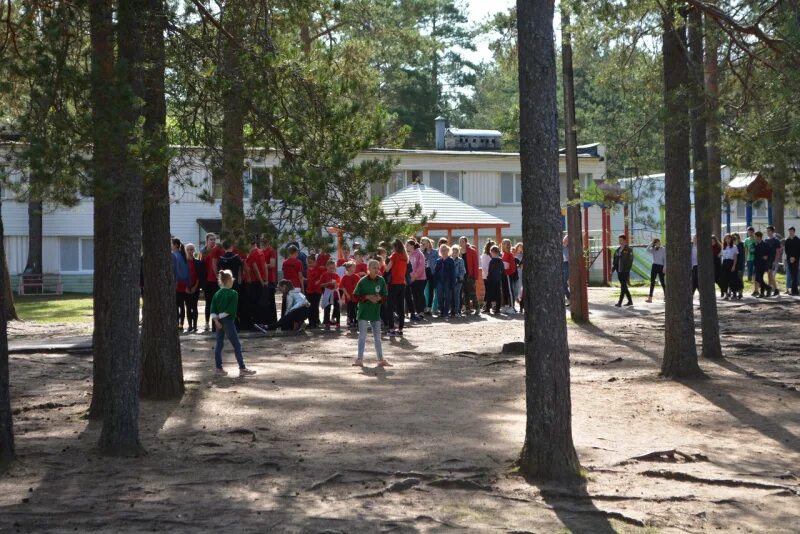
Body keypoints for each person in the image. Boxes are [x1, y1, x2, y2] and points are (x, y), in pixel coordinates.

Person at [210, 269, 256, 377]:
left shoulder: (216, 294)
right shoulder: (233, 293)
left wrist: (216, 321)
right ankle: (242, 367)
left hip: (218, 322)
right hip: (228, 321)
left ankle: (218, 368)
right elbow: (231, 309)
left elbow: (212, 309)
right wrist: (222, 317)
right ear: (230, 280)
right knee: (236, 345)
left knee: (219, 344)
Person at [352, 259, 391, 368]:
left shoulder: (381, 280)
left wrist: (379, 299)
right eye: (373, 267)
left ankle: (381, 360)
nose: (376, 269)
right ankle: (359, 359)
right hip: (363, 312)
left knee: (378, 337)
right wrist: (367, 297)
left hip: (375, 313)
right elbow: (355, 296)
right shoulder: (363, 281)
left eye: (377, 267)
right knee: (362, 336)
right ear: (368, 269)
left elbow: (385, 296)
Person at [385, 239, 408, 336]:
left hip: (394, 283)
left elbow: (387, 269)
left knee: (390, 307)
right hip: (402, 284)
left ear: (395, 247)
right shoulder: (405, 256)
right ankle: (400, 329)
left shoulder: (394, 256)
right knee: (400, 307)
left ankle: (391, 329)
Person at [201, 232, 224, 332]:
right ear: (206, 241)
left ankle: (216, 324)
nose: (213, 241)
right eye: (211, 239)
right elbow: (202, 268)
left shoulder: (218, 250)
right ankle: (206, 323)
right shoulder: (204, 253)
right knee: (208, 303)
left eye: (214, 239)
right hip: (208, 281)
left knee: (217, 303)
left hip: (217, 281)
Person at [259, 235, 279, 325]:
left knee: (271, 300)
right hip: (262, 278)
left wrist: (261, 266)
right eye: (262, 239)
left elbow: (272, 264)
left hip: (270, 278)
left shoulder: (271, 251)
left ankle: (273, 321)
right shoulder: (260, 251)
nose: (263, 240)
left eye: (265, 239)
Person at [458, 236, 481, 315]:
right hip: (462, 275)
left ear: (466, 242)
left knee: (472, 293)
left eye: (462, 241)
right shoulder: (459, 251)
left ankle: (477, 308)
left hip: (470, 275)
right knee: (465, 293)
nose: (461, 243)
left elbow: (475, 264)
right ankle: (467, 308)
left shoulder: (472, 251)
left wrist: (475, 276)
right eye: (460, 242)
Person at [184, 243, 204, 333]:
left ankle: (195, 326)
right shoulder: (183, 262)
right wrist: (186, 287)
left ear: (194, 250)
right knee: (188, 307)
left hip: (195, 287)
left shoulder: (198, 263)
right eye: (188, 249)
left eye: (192, 249)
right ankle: (190, 326)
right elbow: (182, 276)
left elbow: (199, 276)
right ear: (185, 250)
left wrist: (195, 286)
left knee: (194, 307)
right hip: (186, 288)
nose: (190, 251)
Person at [172, 238, 190, 331]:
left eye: (171, 244)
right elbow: (186, 271)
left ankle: (176, 323)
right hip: (183, 283)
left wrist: (175, 281)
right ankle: (181, 324)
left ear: (175, 245)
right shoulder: (182, 255)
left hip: (177, 282)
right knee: (181, 305)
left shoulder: (175, 256)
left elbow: (176, 271)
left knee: (176, 305)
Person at [407, 239, 427, 321]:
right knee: (414, 296)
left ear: (412, 245)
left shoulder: (419, 254)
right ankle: (417, 312)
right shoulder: (409, 254)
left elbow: (421, 267)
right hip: (411, 279)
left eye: (407, 245)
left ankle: (421, 312)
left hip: (419, 279)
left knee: (420, 295)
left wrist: (414, 277)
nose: (406, 246)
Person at [320, 259, 341, 330]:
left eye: (333, 268)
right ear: (327, 267)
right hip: (327, 293)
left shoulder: (336, 275)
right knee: (327, 308)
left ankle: (337, 322)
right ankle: (327, 323)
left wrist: (335, 284)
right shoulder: (324, 275)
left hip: (334, 293)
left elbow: (338, 284)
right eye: (330, 268)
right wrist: (328, 284)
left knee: (337, 307)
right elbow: (321, 285)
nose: (331, 269)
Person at [612, 234, 633, 307]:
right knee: (624, 286)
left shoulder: (629, 249)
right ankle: (630, 301)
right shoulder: (617, 250)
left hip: (625, 271)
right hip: (619, 271)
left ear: (624, 240)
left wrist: (626, 270)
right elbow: (615, 261)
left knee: (623, 286)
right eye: (619, 240)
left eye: (621, 240)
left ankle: (620, 302)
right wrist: (613, 270)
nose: (620, 241)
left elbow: (630, 261)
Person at [304, 255, 324, 328]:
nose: (309, 264)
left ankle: (315, 322)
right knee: (309, 307)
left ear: (315, 262)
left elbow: (323, 277)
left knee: (315, 307)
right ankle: (310, 322)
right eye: (308, 263)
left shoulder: (319, 269)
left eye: (311, 262)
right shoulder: (308, 269)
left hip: (316, 290)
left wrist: (318, 281)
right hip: (309, 290)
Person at [435, 243, 455, 317]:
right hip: (439, 281)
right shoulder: (438, 261)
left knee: (447, 297)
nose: (443, 251)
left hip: (447, 281)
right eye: (442, 250)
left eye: (445, 250)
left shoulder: (451, 261)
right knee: (439, 296)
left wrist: (453, 283)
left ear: (448, 251)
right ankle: (441, 311)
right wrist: (435, 283)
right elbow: (436, 272)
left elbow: (453, 273)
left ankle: (446, 312)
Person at [421, 237, 439, 314]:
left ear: (429, 243)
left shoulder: (435, 252)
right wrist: (422, 249)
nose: (426, 244)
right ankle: (424, 307)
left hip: (432, 272)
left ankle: (429, 308)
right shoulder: (421, 252)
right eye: (424, 243)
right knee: (421, 290)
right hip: (423, 272)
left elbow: (438, 262)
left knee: (431, 290)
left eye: (427, 242)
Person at [340, 262, 360, 328]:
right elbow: (342, 287)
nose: (354, 268)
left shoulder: (356, 276)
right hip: (349, 297)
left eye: (355, 267)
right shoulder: (344, 277)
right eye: (353, 267)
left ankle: (356, 321)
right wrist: (347, 294)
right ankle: (351, 321)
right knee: (350, 309)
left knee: (356, 309)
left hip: (355, 297)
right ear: (348, 268)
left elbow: (359, 286)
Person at [485, 246, 504, 313]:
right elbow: (502, 270)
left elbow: (490, 271)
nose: (491, 254)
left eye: (491, 253)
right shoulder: (500, 261)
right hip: (498, 280)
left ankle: (487, 308)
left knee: (489, 294)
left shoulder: (492, 261)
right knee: (498, 294)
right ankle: (498, 309)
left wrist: (488, 278)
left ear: (493, 252)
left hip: (491, 280)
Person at [720, 234, 740, 300]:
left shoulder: (734, 247)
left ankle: (734, 294)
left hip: (731, 263)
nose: (727, 240)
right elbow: (721, 256)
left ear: (731, 239)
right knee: (724, 279)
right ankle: (726, 294)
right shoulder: (723, 247)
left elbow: (735, 257)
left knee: (733, 279)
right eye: (726, 239)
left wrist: (734, 266)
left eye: (729, 238)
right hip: (724, 263)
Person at [645, 238, 666, 303]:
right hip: (654, 266)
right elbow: (647, 249)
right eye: (656, 243)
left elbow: (665, 259)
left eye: (659, 242)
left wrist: (665, 267)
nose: (658, 244)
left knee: (662, 282)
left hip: (661, 266)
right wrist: (652, 243)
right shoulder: (653, 249)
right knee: (652, 282)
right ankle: (650, 298)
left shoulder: (663, 249)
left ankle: (666, 296)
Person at [500, 239, 517, 314]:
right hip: (503, 275)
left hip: (508, 275)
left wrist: (508, 273)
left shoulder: (510, 255)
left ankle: (512, 307)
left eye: (507, 244)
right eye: (504, 244)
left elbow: (513, 267)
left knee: (510, 291)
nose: (506, 245)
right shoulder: (502, 254)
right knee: (504, 291)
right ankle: (506, 306)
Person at [764, 226, 781, 296]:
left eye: (769, 231)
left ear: (773, 232)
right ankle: (776, 290)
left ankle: (769, 290)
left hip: (773, 260)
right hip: (767, 260)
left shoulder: (776, 240)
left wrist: (776, 260)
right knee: (769, 275)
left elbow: (778, 251)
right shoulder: (766, 240)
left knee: (771, 275)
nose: (768, 232)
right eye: (767, 231)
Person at [753, 231, 770, 297]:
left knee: (759, 278)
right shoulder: (756, 245)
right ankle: (766, 289)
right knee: (758, 278)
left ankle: (764, 291)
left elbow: (768, 252)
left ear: (759, 237)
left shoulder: (765, 244)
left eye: (755, 236)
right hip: (757, 264)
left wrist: (766, 256)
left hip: (762, 264)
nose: (755, 238)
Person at [784, 226, 800, 296]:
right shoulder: (787, 240)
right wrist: (790, 257)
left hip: (796, 260)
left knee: (795, 275)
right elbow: (786, 250)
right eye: (789, 231)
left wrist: (794, 257)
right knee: (791, 275)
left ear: (794, 231)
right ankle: (794, 290)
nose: (790, 232)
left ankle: (795, 291)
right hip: (789, 259)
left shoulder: (797, 240)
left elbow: (798, 250)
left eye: (791, 231)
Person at [451, 244, 466, 317]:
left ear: (458, 253)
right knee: (450, 296)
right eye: (453, 252)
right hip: (450, 281)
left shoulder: (461, 260)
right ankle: (452, 311)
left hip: (458, 281)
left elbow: (462, 271)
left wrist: (459, 278)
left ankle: (457, 311)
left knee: (457, 296)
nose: (454, 254)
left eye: (456, 252)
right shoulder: (449, 260)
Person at [733, 233, 745, 299]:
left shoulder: (740, 245)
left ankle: (740, 293)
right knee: (733, 279)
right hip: (733, 265)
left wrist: (740, 267)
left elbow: (742, 257)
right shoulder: (731, 246)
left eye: (735, 238)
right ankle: (734, 292)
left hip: (739, 265)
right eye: (733, 238)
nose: (734, 240)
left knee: (739, 279)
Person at [562, 235, 570, 303]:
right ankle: (568, 296)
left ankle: (568, 296)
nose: (566, 241)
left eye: (567, 240)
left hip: (567, 264)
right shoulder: (560, 246)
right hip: (560, 264)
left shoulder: (568, 248)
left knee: (564, 281)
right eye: (565, 239)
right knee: (563, 282)